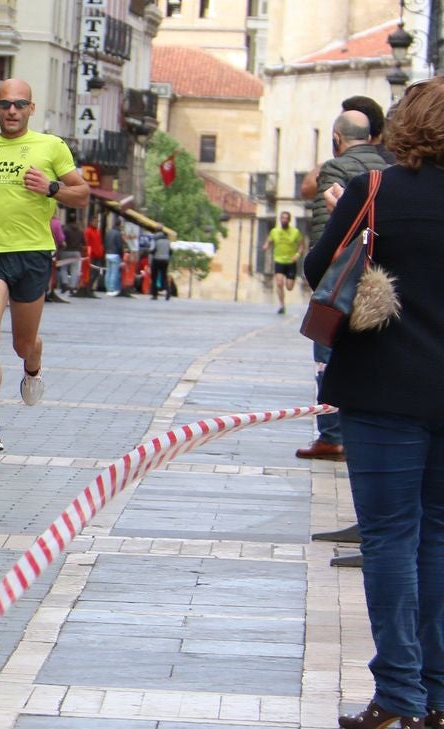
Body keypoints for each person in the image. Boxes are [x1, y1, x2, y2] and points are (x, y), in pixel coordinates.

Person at [305, 76, 444, 729]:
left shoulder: (375, 189)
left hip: (382, 388)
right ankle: (436, 692)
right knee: (438, 535)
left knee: (390, 537)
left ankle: (399, 694)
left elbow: (318, 271)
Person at [0, 78, 89, 452]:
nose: (11, 111)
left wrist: (51, 188)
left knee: (22, 343)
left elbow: (81, 195)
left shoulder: (52, 147)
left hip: (31, 253)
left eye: (19, 104)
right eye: (4, 104)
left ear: (31, 109)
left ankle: (33, 363)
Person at [299, 109, 389, 462]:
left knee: (327, 357)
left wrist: (322, 279)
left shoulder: (334, 170)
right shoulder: (386, 167)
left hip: (344, 277)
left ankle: (332, 434)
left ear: (337, 139)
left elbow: (325, 230)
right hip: (381, 278)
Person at [261, 211, 304, 315]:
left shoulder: (295, 232)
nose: (284, 220)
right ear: (280, 219)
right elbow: (269, 241)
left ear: (289, 220)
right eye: (282, 218)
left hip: (291, 262)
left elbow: (302, 245)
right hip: (279, 260)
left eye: (286, 218)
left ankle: (287, 286)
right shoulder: (274, 231)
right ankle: (281, 305)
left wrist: (297, 255)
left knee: (289, 287)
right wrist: (266, 246)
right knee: (279, 283)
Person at [104, 217, 124, 295]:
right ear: (119, 225)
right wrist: (121, 255)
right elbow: (119, 246)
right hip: (115, 254)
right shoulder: (118, 233)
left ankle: (107, 287)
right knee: (114, 272)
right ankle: (112, 289)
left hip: (108, 253)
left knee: (108, 271)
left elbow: (105, 242)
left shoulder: (108, 232)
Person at [150, 229, 171, 300]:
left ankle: (154, 294)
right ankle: (167, 290)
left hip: (157, 260)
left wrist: (150, 252)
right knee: (164, 277)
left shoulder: (157, 241)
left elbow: (153, 251)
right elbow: (170, 251)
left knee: (154, 277)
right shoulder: (168, 242)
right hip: (165, 261)